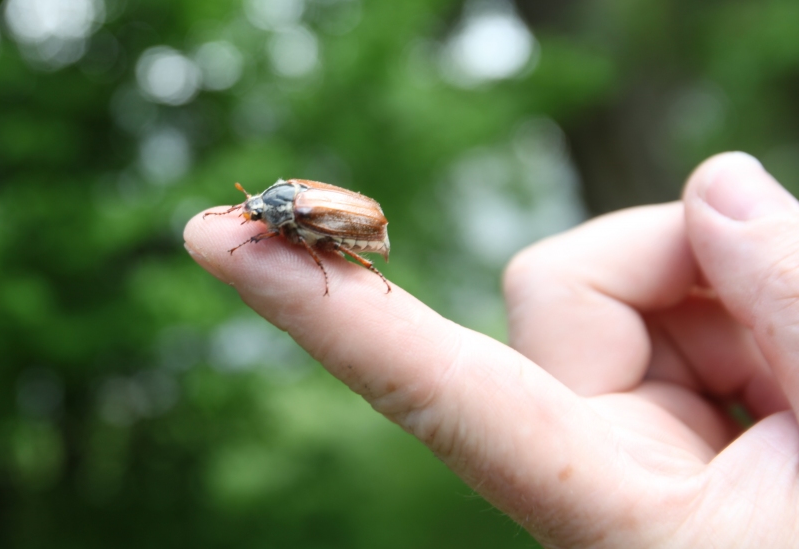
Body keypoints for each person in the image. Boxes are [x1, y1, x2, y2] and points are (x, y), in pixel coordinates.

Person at [184, 152, 799, 547]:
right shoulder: (276, 207)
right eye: (254, 214)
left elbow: (337, 225)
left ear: (276, 211)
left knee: (324, 260)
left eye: (258, 214)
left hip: (352, 225)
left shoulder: (299, 211)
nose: (255, 219)